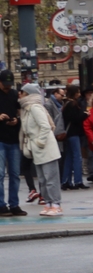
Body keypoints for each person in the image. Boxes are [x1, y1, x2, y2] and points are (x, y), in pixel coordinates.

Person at [18, 83, 63, 216]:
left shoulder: (35, 108)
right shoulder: (26, 109)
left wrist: (39, 142)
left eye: (22, 92)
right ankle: (48, 203)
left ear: (27, 94)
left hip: (45, 147)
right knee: (43, 179)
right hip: (37, 149)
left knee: (51, 178)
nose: (19, 94)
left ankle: (56, 204)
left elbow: (45, 126)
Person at [0, 70, 27, 216]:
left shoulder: (13, 94)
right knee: (0, 175)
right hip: (0, 140)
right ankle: (1, 205)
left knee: (15, 174)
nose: (8, 87)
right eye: (5, 85)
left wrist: (17, 120)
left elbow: (19, 112)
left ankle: (14, 204)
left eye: (9, 85)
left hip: (13, 139)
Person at [61, 85, 89, 190]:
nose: (79, 94)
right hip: (73, 133)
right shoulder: (72, 104)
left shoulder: (65, 103)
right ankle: (78, 181)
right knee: (77, 157)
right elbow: (76, 119)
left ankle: (66, 181)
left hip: (67, 134)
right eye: (77, 92)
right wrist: (85, 115)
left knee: (68, 157)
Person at [44, 86, 67, 179]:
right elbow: (50, 120)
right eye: (61, 95)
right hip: (55, 134)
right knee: (58, 158)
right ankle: (58, 177)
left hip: (60, 133)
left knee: (62, 157)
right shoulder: (49, 105)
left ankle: (61, 177)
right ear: (55, 94)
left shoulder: (61, 104)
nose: (63, 97)